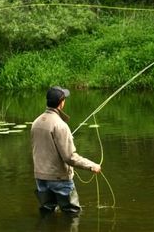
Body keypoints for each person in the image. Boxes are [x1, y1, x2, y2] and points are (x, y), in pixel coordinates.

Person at [31, 86, 101, 214]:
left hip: (40, 177)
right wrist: (91, 166)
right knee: (72, 214)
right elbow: (70, 157)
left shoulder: (36, 122)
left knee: (47, 212)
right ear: (61, 102)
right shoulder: (60, 125)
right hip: (59, 178)